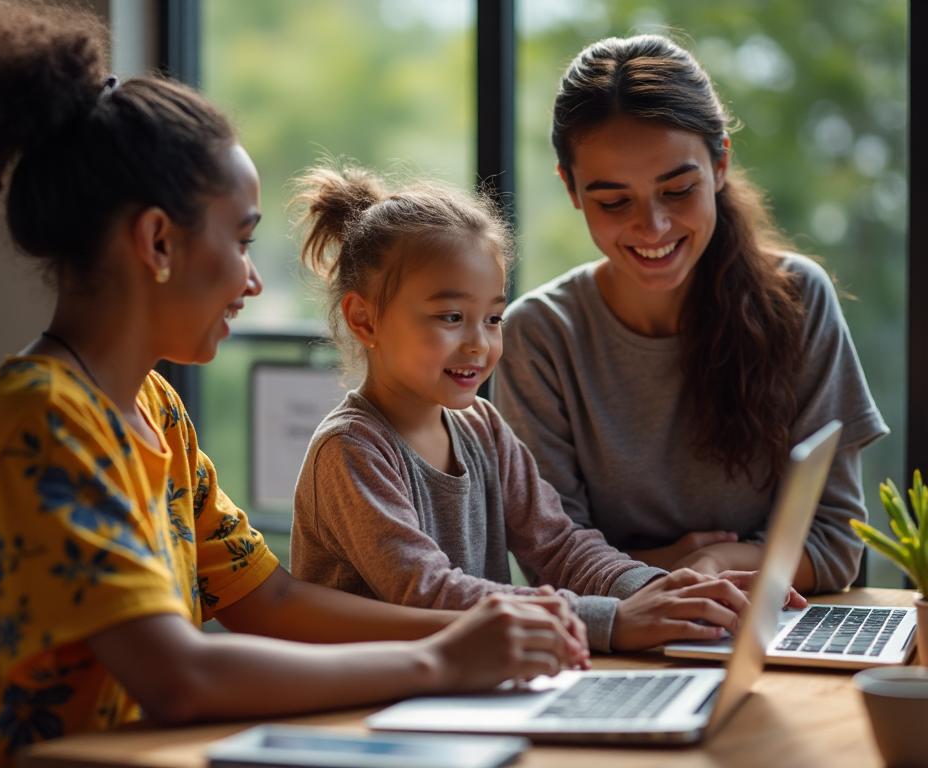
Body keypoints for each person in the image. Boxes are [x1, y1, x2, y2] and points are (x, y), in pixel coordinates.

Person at [0, 3, 589, 765]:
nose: (254, 282)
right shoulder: (40, 421)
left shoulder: (154, 410)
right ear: (158, 242)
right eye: (241, 240)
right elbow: (179, 676)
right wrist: (445, 661)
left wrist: (486, 631)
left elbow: (272, 601)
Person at [288, 164, 785, 657]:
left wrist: (666, 592)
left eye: (493, 318)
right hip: (371, 707)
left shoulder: (481, 427)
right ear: (364, 319)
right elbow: (429, 592)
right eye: (452, 317)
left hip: (467, 689)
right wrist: (611, 621)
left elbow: (560, 547)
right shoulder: (352, 451)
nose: (479, 344)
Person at [493, 34, 888, 594]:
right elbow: (550, 561)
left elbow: (835, 543)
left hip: (773, 622)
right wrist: (681, 566)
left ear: (720, 163)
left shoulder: (797, 298)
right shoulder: (539, 336)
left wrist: (717, 561)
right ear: (572, 189)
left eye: (678, 190)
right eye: (613, 202)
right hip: (617, 647)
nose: (652, 228)